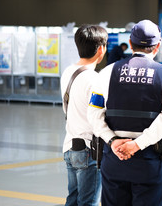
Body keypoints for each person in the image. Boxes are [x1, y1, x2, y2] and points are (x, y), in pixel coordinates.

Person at [87, 19, 162, 206]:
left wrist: (112, 141)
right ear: (158, 46)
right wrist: (137, 145)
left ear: (130, 43)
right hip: (149, 162)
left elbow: (93, 112)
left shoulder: (107, 73)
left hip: (114, 160)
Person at [60, 25, 109, 206]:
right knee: (89, 202)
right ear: (100, 49)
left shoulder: (67, 72)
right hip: (88, 150)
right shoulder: (95, 79)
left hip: (70, 146)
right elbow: (98, 117)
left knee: (72, 199)